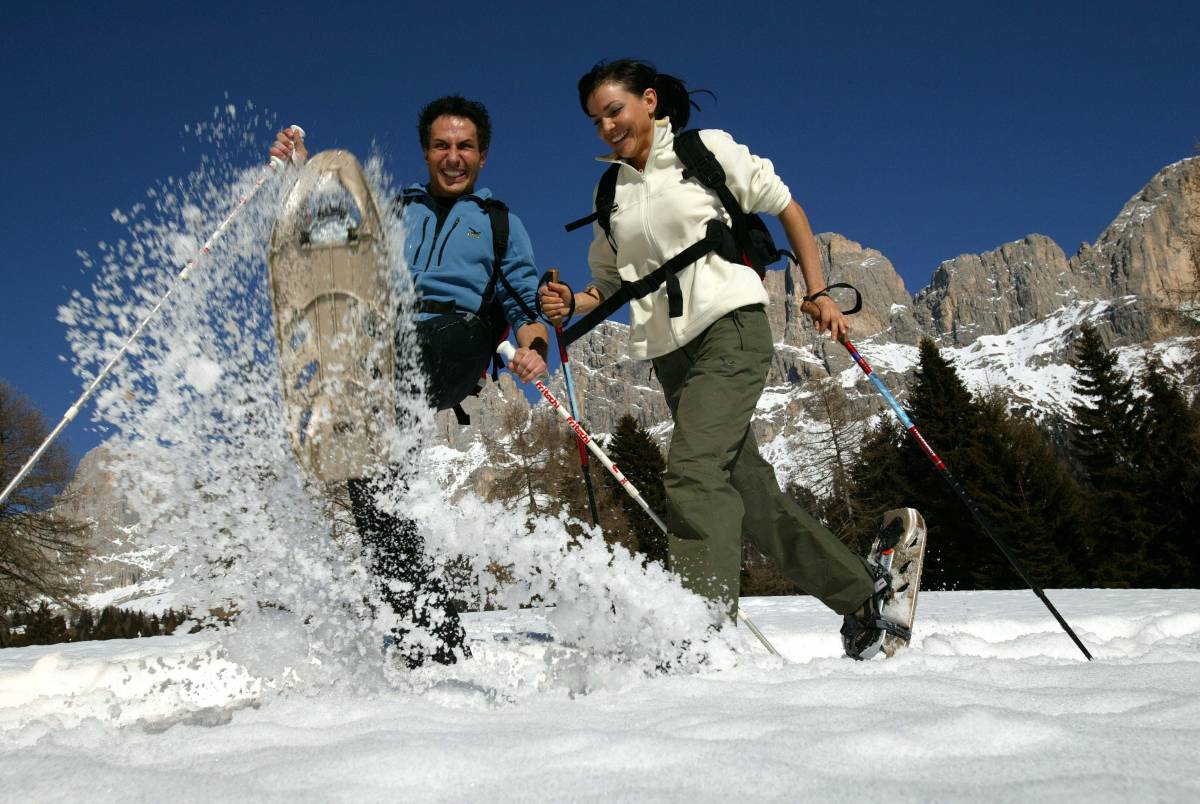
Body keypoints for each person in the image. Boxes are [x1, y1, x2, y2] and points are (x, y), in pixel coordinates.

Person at [539, 60, 898, 660]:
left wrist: (816, 291)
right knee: (750, 495)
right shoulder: (611, 193)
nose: (606, 126)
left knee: (692, 474)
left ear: (649, 101)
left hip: (731, 327)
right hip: (671, 356)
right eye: (596, 119)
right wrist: (570, 301)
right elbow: (606, 283)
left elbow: (788, 207)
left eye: (615, 110)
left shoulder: (703, 151)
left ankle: (700, 642)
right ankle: (864, 597)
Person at [270, 96, 549, 668]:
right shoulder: (394, 209)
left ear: (482, 155)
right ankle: (428, 635)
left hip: (457, 341)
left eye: (464, 147)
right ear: (426, 152)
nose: (453, 157)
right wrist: (301, 173)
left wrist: (534, 349)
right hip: (384, 346)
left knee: (395, 368)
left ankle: (427, 636)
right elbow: (339, 240)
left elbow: (522, 300)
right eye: (442, 146)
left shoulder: (499, 223)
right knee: (369, 484)